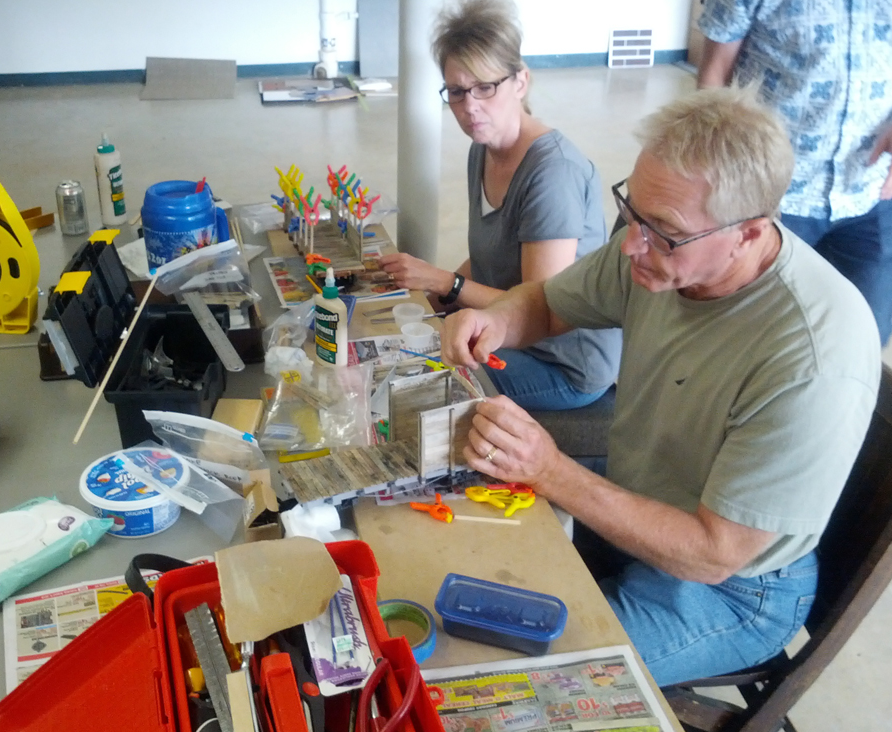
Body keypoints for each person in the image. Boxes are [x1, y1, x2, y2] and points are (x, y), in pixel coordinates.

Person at [440, 87, 881, 686]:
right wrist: (496, 320)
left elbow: (714, 552)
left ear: (749, 234)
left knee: (514, 683)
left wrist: (549, 471)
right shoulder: (653, 248)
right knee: (455, 596)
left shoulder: (811, 352)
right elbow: (547, 303)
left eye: (664, 231)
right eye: (632, 211)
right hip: (633, 510)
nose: (630, 246)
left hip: (735, 589)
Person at [380, 0, 620, 411]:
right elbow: (491, 255)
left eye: (485, 87)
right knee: (393, 353)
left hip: (562, 364)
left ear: (520, 82)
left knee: (405, 386)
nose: (470, 106)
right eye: (456, 91)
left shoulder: (553, 172)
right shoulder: (484, 148)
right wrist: (424, 304)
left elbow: (544, 309)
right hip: (504, 333)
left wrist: (446, 284)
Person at [697, 0, 892, 345]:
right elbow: (714, 74)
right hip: (775, 197)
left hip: (870, 191)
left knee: (862, 340)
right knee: (753, 339)